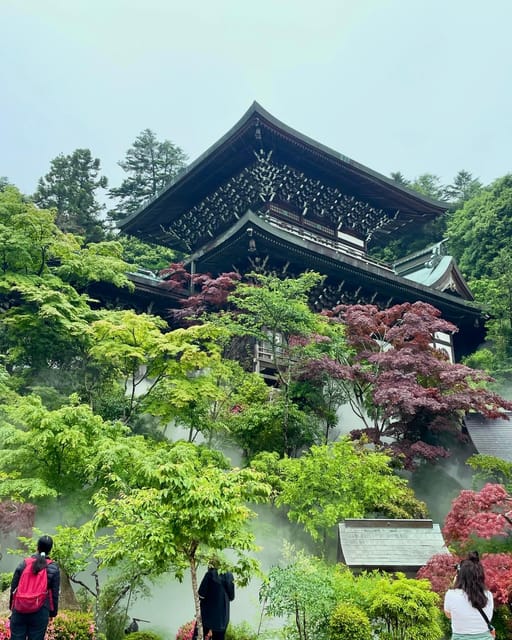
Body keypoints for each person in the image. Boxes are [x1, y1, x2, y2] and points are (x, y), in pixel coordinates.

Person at [9, 535, 60, 640]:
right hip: (40, 612)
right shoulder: (53, 568)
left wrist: (12, 607)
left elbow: (13, 588)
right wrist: (52, 614)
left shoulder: (24, 564)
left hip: (20, 610)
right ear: (50, 550)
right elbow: (54, 595)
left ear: (37, 547)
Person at [444, 551, 494, 640]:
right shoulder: (488, 595)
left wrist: (455, 584)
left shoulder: (451, 595)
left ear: (459, 576)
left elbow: (449, 615)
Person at [194, 560, 235, 640]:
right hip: (221, 617)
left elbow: (201, 594)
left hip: (207, 614)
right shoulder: (229, 575)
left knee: (197, 636)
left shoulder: (209, 574)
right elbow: (232, 597)